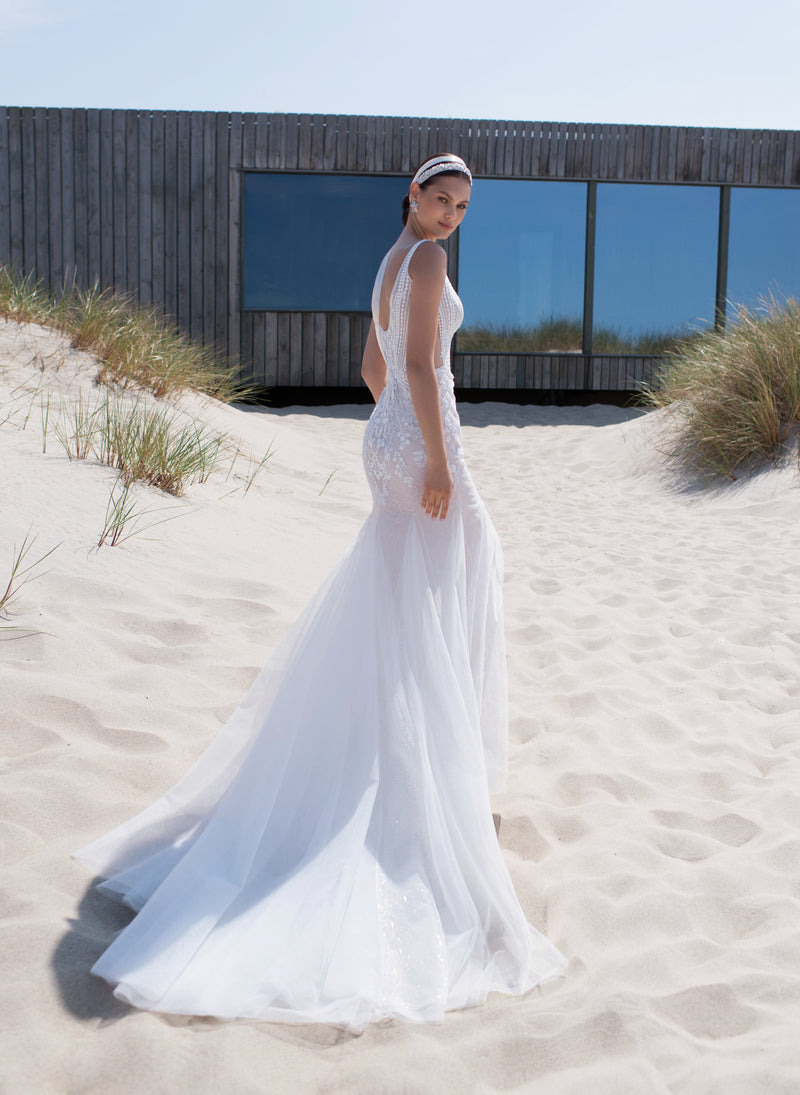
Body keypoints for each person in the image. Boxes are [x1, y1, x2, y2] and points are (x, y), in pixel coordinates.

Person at [75, 153, 566, 1031]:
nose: (451, 215)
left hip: (389, 437)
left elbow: (370, 368)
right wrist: (442, 458)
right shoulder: (425, 261)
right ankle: (424, 783)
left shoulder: (390, 259)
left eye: (461, 207)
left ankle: (408, 759)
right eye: (439, 200)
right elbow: (416, 367)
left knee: (401, 597)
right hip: (420, 439)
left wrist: (399, 435)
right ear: (412, 196)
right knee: (443, 583)